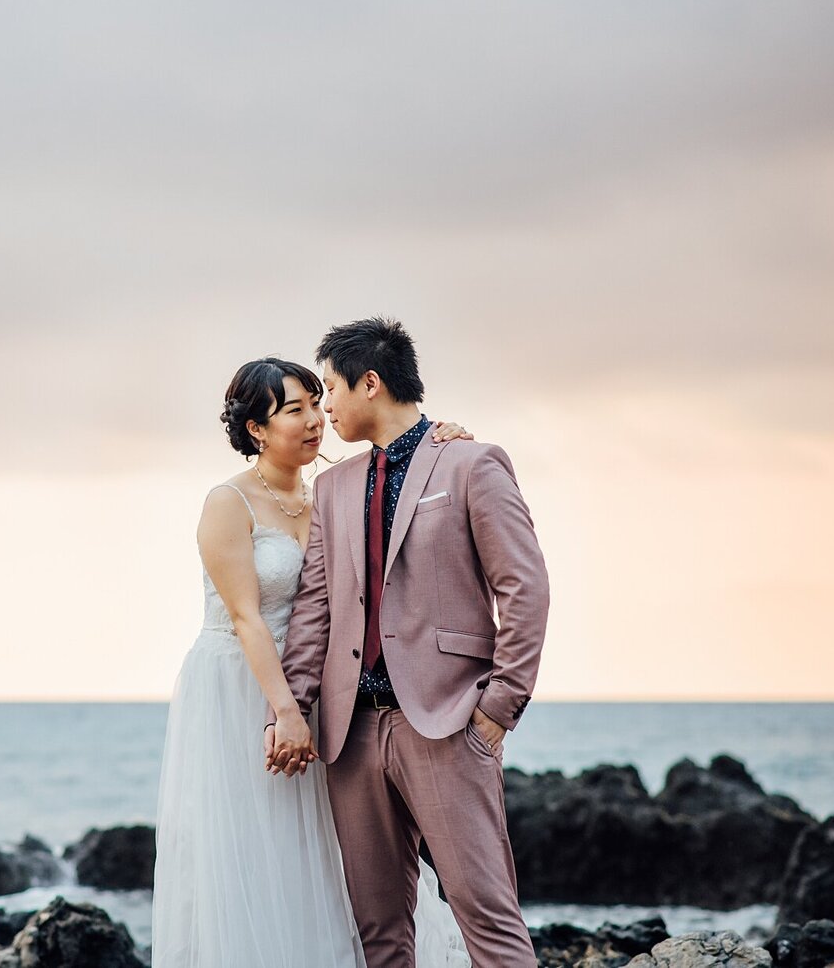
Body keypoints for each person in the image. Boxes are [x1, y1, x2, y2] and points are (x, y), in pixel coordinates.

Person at [151, 356, 473, 967]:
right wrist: (285, 711)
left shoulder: (336, 487)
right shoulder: (228, 503)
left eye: (315, 403)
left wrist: (444, 437)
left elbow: (405, 460)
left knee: (336, 850)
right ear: (256, 430)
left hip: (323, 690)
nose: (314, 419)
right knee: (256, 851)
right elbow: (247, 617)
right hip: (240, 691)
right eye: (293, 410)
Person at [268, 317, 549, 968]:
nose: (325, 407)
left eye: (332, 390)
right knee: (380, 933)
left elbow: (525, 589)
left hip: (449, 726)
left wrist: (497, 708)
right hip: (352, 735)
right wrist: (292, 709)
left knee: (489, 919)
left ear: (371, 383)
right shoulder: (333, 488)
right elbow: (313, 609)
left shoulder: (472, 463)